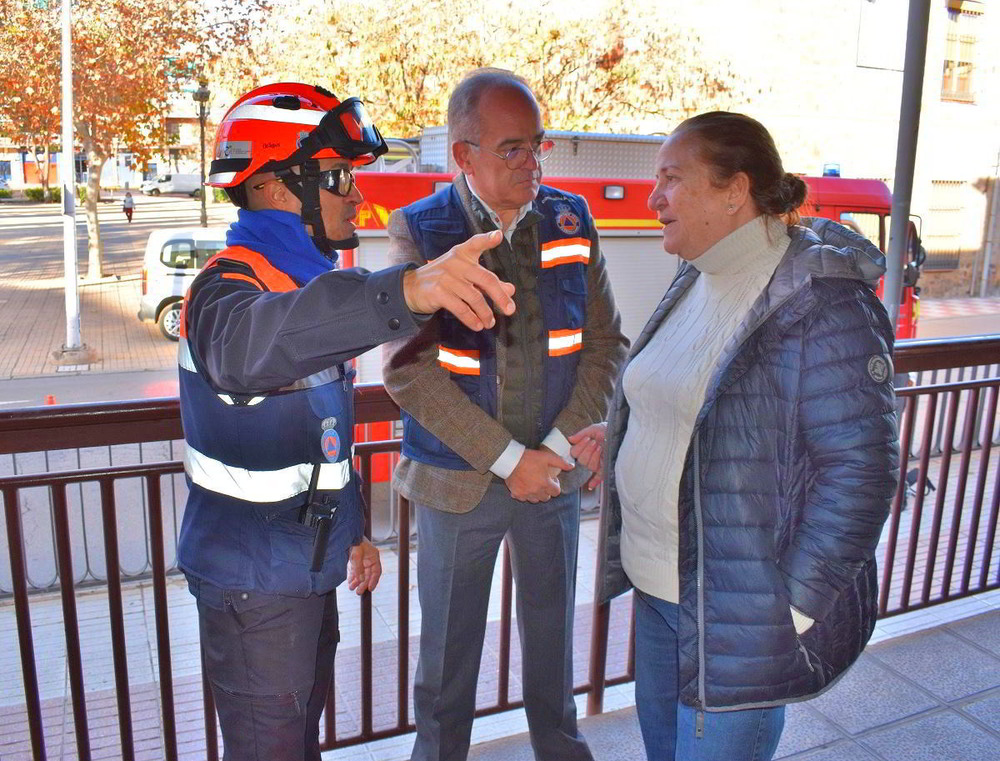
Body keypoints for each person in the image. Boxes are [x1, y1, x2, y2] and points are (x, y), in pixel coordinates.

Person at [178, 82, 516, 761]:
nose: (355, 196)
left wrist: (354, 532)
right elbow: (246, 349)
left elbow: (324, 436)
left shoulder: (302, 284)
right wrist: (407, 290)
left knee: (299, 741)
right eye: (337, 177)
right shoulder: (226, 287)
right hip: (255, 585)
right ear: (275, 186)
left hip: (302, 572)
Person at [573, 111, 899, 761]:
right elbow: (704, 395)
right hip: (661, 591)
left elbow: (861, 468)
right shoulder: (698, 271)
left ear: (733, 190)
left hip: (735, 618)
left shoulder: (822, 297)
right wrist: (628, 430)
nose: (653, 196)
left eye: (671, 178)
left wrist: (789, 614)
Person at [382, 68, 628, 761]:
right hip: (458, 487)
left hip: (552, 478)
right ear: (464, 155)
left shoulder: (573, 219)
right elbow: (407, 371)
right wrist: (509, 460)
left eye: (539, 146)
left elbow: (606, 343)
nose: (534, 163)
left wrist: (547, 452)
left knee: (552, 650)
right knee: (447, 664)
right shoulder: (419, 229)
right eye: (513, 149)